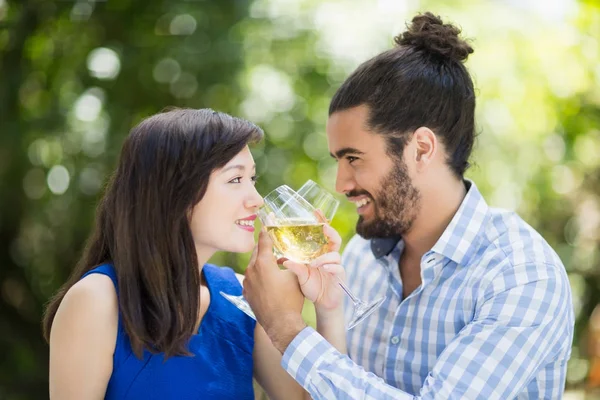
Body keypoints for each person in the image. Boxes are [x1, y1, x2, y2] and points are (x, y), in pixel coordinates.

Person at [242, 12, 574, 399]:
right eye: (338, 161)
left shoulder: (520, 275)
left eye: (354, 159)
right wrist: (327, 313)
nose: (341, 185)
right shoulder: (362, 257)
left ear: (421, 149)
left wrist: (287, 328)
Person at [42, 108, 343, 399]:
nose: (256, 200)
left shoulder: (242, 297)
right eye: (235, 180)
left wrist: (328, 310)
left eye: (253, 179)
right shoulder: (97, 300)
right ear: (175, 191)